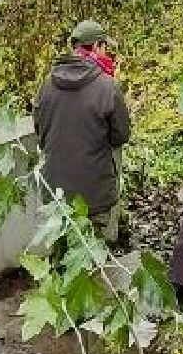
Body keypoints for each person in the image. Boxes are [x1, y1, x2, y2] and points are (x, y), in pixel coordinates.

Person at [34, 18, 133, 244]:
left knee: (63, 257)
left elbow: (40, 131)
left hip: (55, 195)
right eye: (105, 46)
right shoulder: (107, 86)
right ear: (97, 47)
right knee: (94, 256)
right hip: (95, 197)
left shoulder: (47, 84)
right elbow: (121, 135)